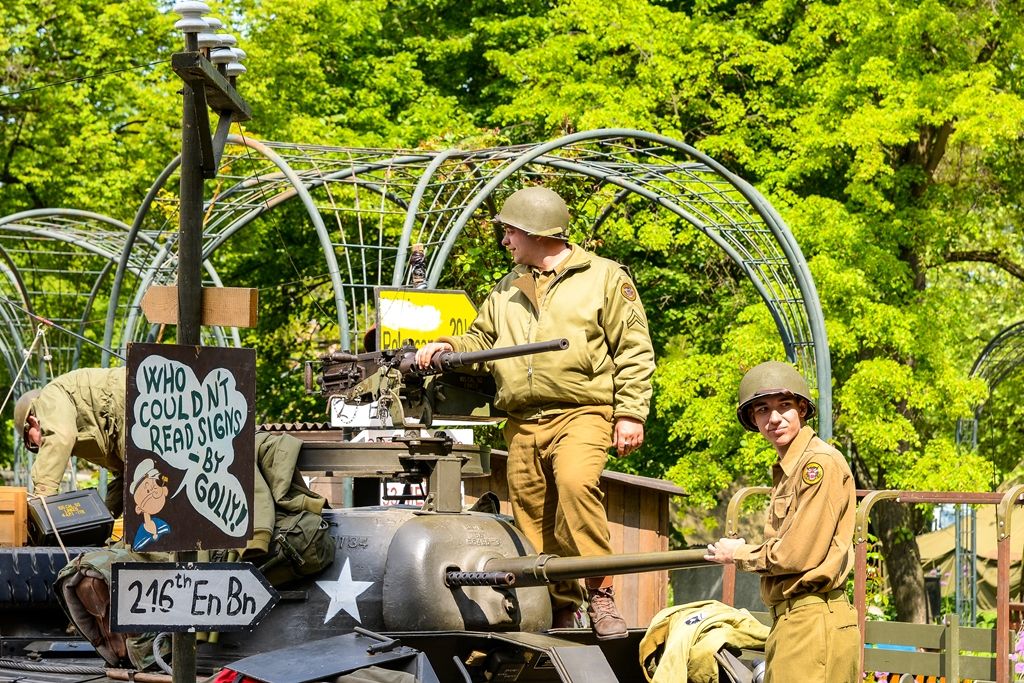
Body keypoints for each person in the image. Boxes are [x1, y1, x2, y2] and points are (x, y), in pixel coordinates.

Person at [415, 186, 655, 640]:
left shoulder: (603, 277)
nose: (505, 241)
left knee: (575, 484)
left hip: (582, 410)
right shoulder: (507, 287)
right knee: (533, 520)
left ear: (538, 231)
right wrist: (448, 346)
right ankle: (559, 608)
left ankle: (600, 592)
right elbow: (481, 343)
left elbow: (635, 350)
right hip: (522, 422)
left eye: (510, 232)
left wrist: (631, 413)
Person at [703, 361, 859, 682]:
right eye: (762, 410)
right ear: (753, 420)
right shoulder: (791, 468)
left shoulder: (817, 464)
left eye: (784, 406)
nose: (774, 418)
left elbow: (796, 554)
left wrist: (739, 554)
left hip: (813, 620)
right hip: (794, 621)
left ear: (802, 409)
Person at [14, 366, 127, 516]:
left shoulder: (48, 397)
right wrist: (105, 519)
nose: (39, 448)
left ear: (32, 420)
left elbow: (59, 439)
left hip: (127, 394)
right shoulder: (88, 426)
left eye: (32, 443)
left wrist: (41, 501)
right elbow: (128, 475)